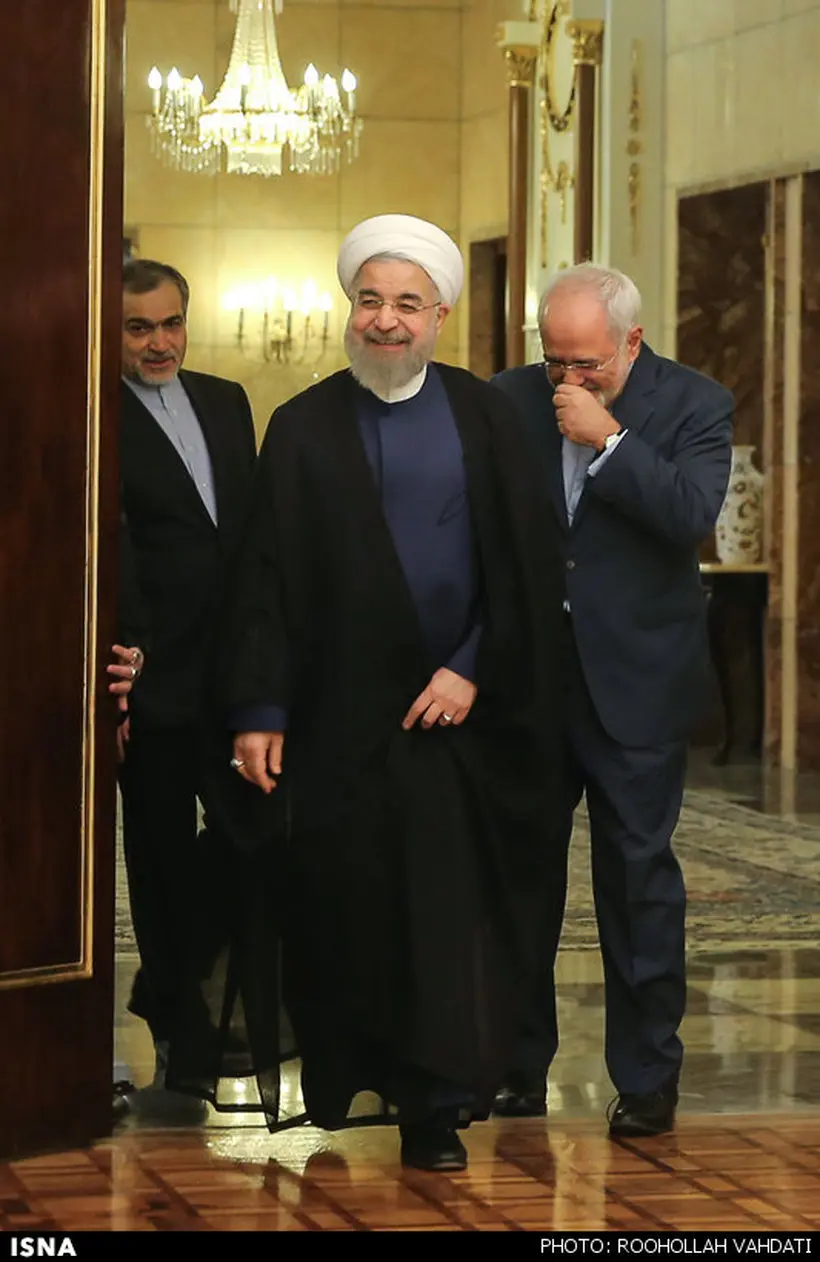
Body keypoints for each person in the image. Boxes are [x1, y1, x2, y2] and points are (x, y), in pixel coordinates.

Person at [222, 214, 565, 1171]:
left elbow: (528, 566)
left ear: (439, 317)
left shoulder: (487, 418)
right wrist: (260, 711)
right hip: (339, 722)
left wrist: (472, 666)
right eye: (369, 300)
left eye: (407, 304)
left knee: (444, 917)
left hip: (460, 720)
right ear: (350, 309)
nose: (385, 320)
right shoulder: (302, 426)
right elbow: (263, 582)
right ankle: (354, 1078)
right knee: (352, 909)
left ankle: (435, 1107)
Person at [491, 263, 734, 1137]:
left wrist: (612, 442)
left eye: (586, 363)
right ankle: (515, 1066)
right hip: (529, 682)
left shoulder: (696, 403)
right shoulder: (506, 400)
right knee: (520, 880)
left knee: (637, 883)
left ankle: (646, 1078)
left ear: (631, 341)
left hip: (636, 681)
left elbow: (691, 514)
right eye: (554, 360)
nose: (566, 378)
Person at [118, 258, 257, 1088]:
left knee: (257, 831)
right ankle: (182, 1029)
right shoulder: (94, 413)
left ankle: (162, 984)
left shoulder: (227, 400)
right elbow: (104, 548)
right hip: (151, 677)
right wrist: (123, 658)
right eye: (139, 328)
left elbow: (248, 533)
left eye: (171, 323)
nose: (159, 342)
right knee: (161, 857)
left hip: (235, 671)